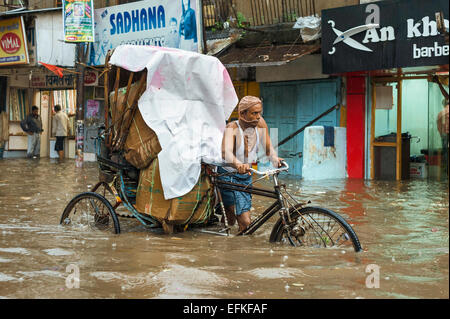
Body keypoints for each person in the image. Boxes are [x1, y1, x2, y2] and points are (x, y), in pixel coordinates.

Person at [219, 96, 283, 232]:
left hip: (246, 176)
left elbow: (268, 147)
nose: (258, 117)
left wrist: (275, 158)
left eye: (260, 113)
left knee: (235, 218)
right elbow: (226, 153)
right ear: (242, 114)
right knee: (244, 221)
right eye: (254, 113)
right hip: (229, 176)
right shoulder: (232, 128)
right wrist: (238, 165)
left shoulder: (260, 124)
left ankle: (229, 237)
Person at [437, 98, 449, 175]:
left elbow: (438, 126)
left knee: (445, 153)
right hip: (446, 135)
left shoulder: (440, 113)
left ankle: (447, 170)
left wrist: (442, 134)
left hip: (444, 135)